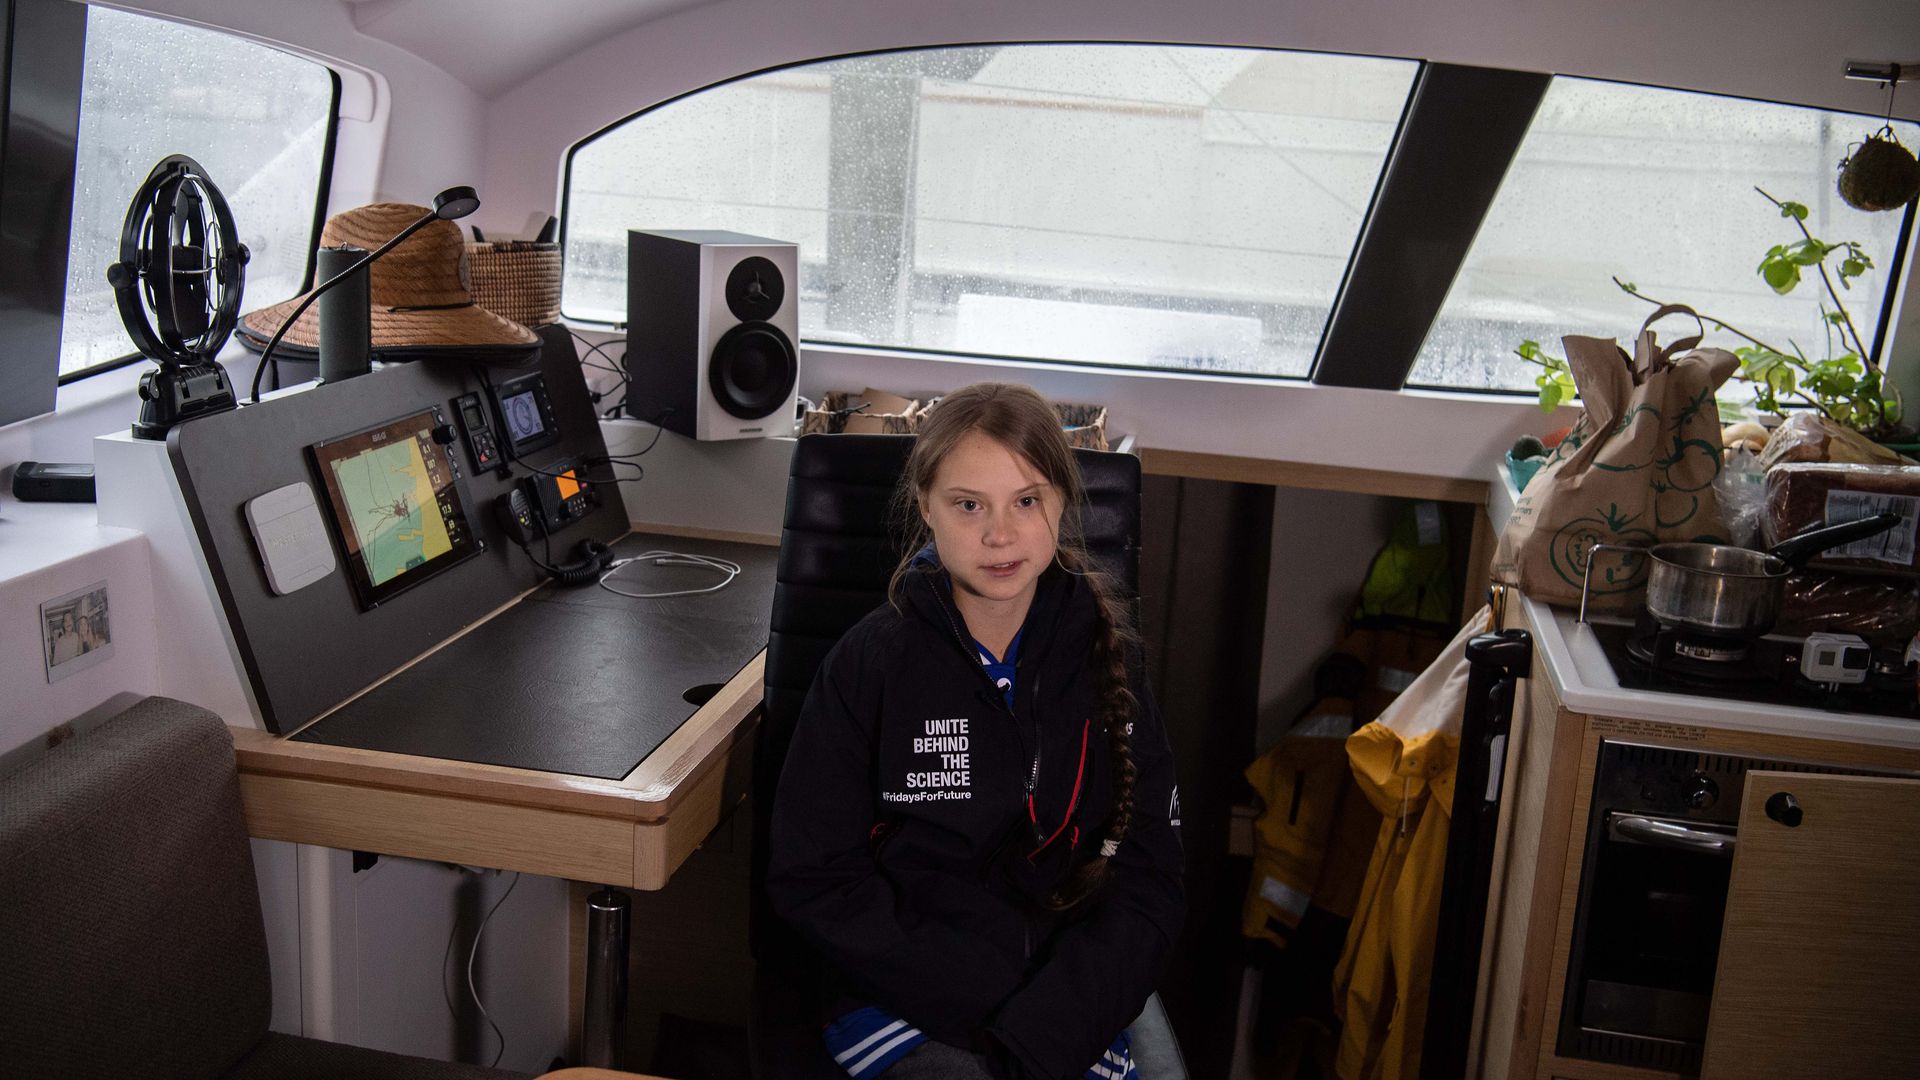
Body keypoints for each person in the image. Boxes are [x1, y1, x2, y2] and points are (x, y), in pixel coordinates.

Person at [768, 383, 1186, 1080]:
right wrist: (1000, 1011)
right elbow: (815, 879)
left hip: (1063, 1002)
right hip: (904, 1000)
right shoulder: (868, 664)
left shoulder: (1113, 662)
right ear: (925, 506)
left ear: (1062, 505)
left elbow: (1150, 879)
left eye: (1027, 501)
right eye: (969, 505)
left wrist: (1057, 1020)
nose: (1000, 534)